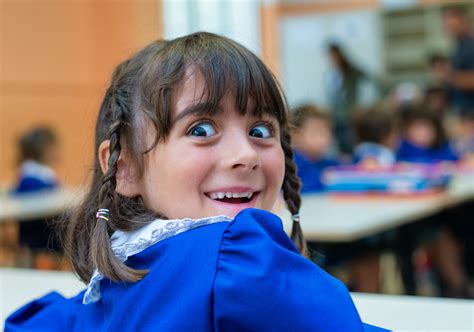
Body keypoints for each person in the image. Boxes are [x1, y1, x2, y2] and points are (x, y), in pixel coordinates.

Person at [6, 33, 388, 331]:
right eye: (201, 129)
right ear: (124, 167)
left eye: (260, 129)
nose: (247, 154)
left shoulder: (122, 269)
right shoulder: (236, 262)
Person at [10, 127, 61, 268]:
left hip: (41, 232)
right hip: (40, 234)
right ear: (43, 151)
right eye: (53, 147)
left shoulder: (42, 174)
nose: (57, 151)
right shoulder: (32, 178)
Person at [325, 43, 376, 155]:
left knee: (350, 144)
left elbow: (370, 81)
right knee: (340, 145)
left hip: (350, 115)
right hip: (337, 116)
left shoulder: (352, 71)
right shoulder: (332, 74)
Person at [290, 105, 339, 193]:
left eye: (328, 132)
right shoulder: (292, 164)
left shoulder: (324, 161)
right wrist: (323, 179)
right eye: (317, 132)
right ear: (295, 135)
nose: (325, 138)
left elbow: (344, 167)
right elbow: (301, 189)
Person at [441, 7, 474, 115]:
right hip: (462, 108)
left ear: (465, 23)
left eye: (454, 26)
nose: (450, 29)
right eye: (448, 26)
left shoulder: (470, 46)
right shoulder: (459, 46)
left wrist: (450, 76)